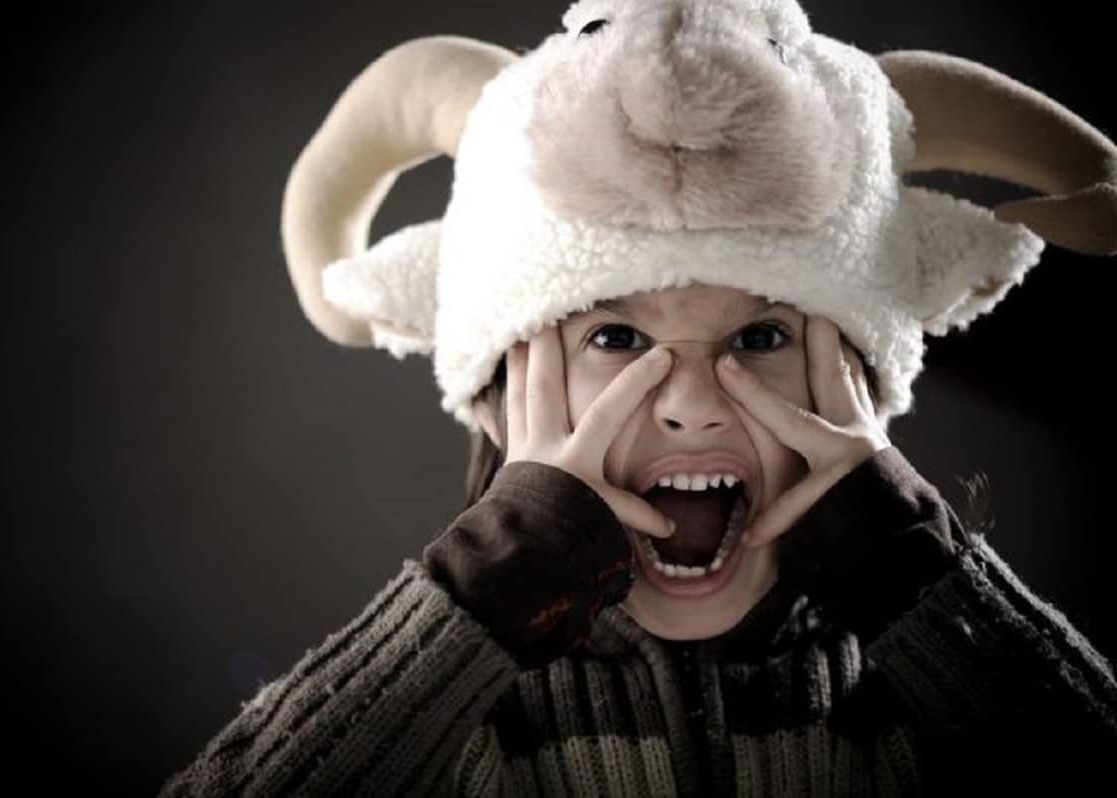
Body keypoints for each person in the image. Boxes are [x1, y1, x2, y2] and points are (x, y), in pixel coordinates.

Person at [160, 1, 1117, 794]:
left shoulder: (933, 700)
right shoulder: (442, 723)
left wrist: (924, 585)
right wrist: (480, 601)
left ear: (857, 386)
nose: (691, 404)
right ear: (498, 395)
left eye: (761, 337)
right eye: (616, 338)